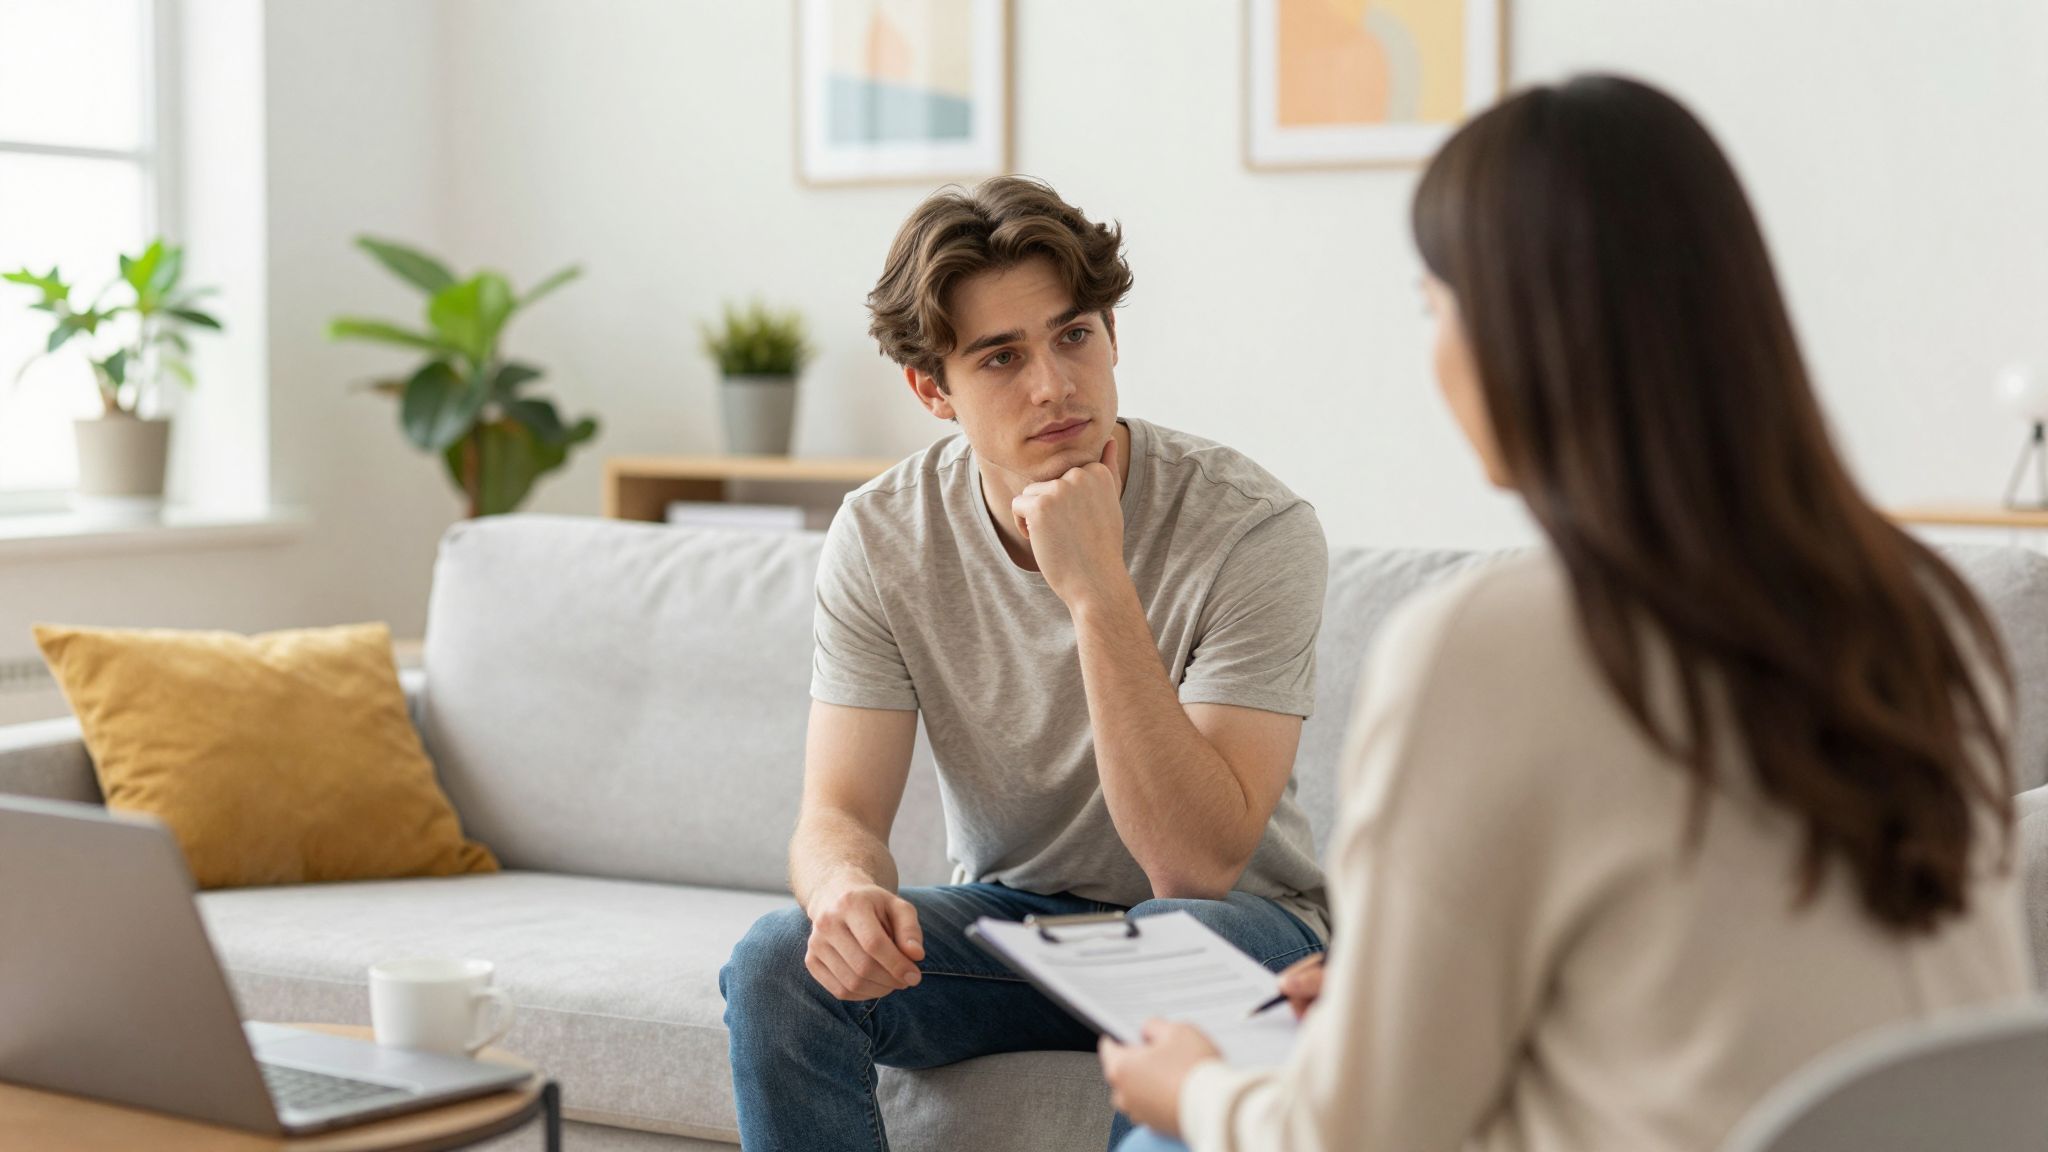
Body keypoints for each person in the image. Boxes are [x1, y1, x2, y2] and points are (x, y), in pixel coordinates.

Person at [1100, 74, 2032, 1152]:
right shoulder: (1926, 617)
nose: (1432, 352)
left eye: (1430, 307)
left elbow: (1350, 1138)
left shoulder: (1484, 650)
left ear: (1514, 332)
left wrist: (1195, 1091)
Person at [719, 175, 1333, 1152]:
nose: (1053, 385)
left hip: (1237, 925)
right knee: (778, 962)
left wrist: (1096, 592)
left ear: (1111, 338)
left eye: (1073, 335)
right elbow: (835, 816)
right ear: (931, 391)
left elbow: (1194, 862)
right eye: (1000, 357)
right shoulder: (882, 534)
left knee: (1192, 943)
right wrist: (842, 898)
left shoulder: (1252, 529)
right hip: (1021, 935)